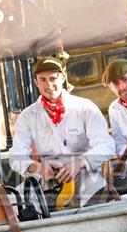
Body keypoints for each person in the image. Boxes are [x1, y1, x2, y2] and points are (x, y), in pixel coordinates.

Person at [8, 56, 116, 207]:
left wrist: (80, 162)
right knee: (12, 204)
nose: (49, 84)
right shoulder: (27, 115)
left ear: (63, 78)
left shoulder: (85, 107)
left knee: (98, 203)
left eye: (53, 78)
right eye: (43, 79)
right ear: (35, 82)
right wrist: (37, 167)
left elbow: (106, 146)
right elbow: (15, 156)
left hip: (84, 175)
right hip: (46, 179)